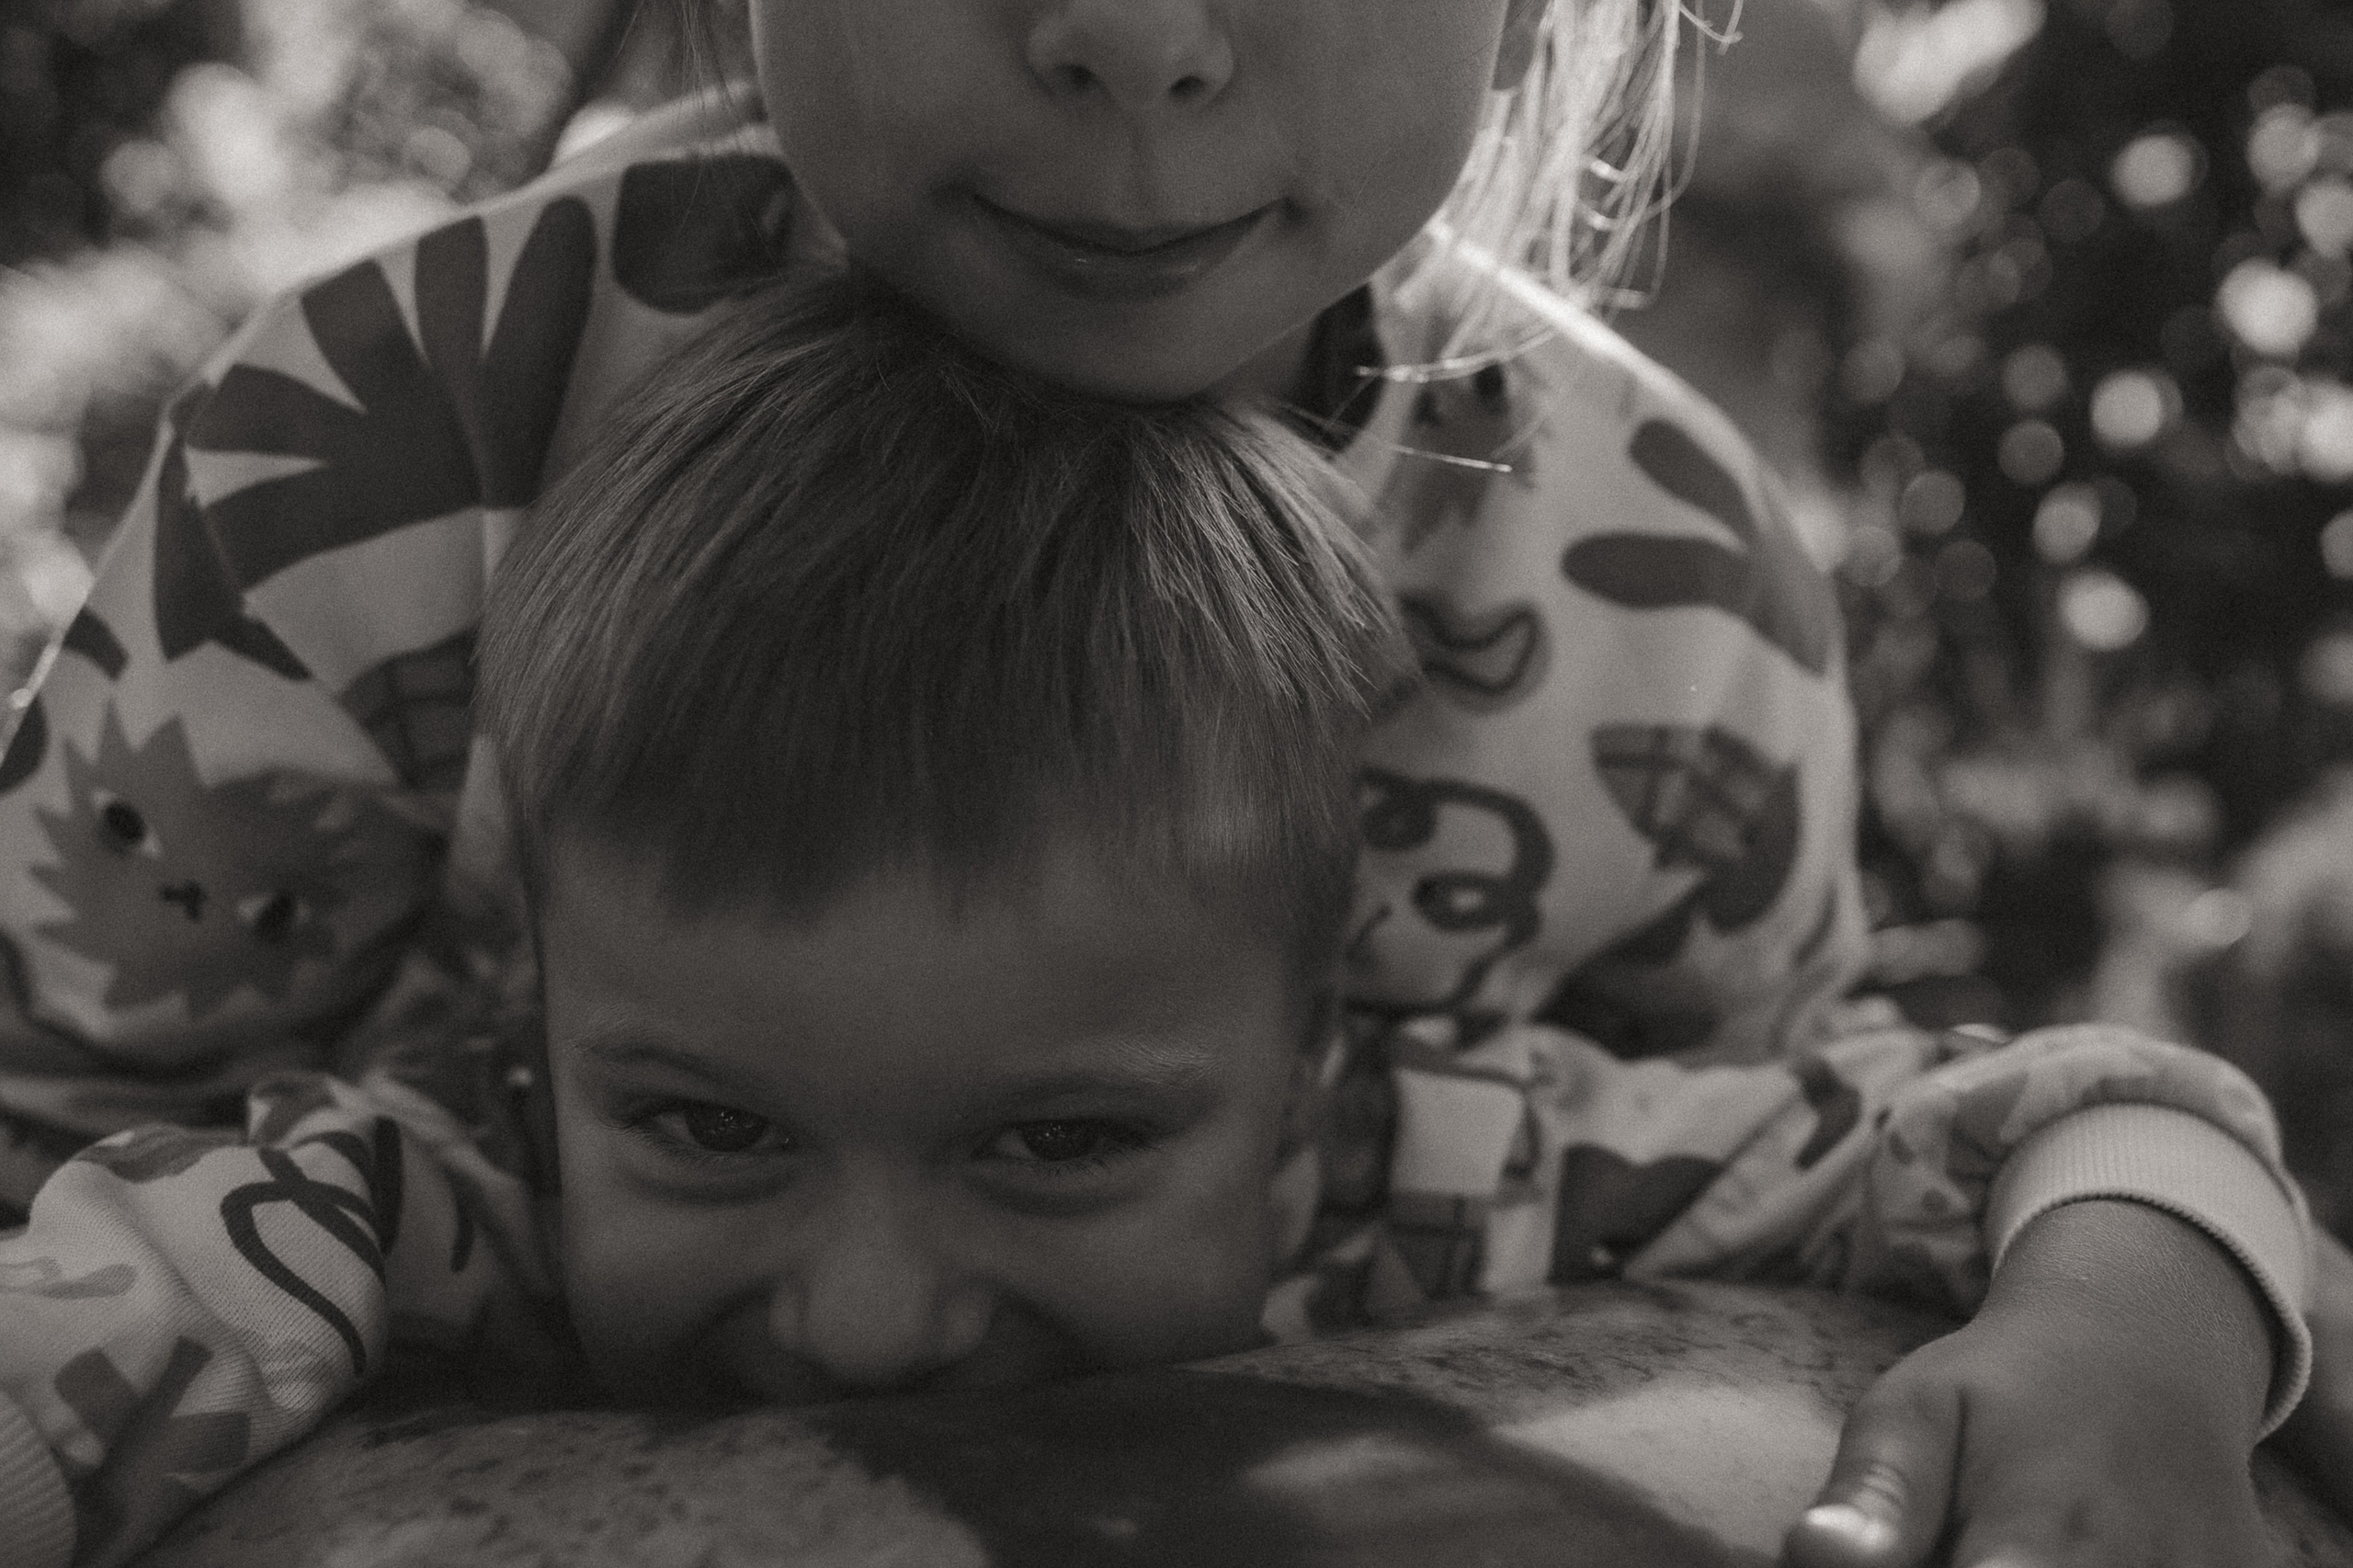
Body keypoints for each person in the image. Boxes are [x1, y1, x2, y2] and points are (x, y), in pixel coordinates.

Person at [0, 2, 2320, 1562]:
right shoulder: (375, 451)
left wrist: (2138, 1310)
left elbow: (1840, 1221)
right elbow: (58, 1182)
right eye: (707, 1116)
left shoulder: (1665, 605)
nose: (1128, 26)